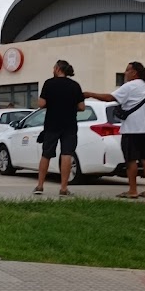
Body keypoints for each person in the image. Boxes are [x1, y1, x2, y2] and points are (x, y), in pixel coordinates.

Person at [85, 61, 145, 199]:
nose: (125, 73)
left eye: (127, 70)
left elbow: (109, 98)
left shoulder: (129, 86)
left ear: (134, 72)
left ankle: (133, 191)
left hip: (132, 130)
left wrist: (89, 94)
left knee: (131, 161)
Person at [34, 60, 86, 196]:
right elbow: (82, 107)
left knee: (46, 154)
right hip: (69, 125)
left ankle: (40, 186)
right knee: (67, 154)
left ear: (57, 69)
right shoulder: (75, 85)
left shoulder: (49, 83)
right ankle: (63, 188)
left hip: (52, 124)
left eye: (53, 68)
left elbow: (41, 103)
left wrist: (52, 103)